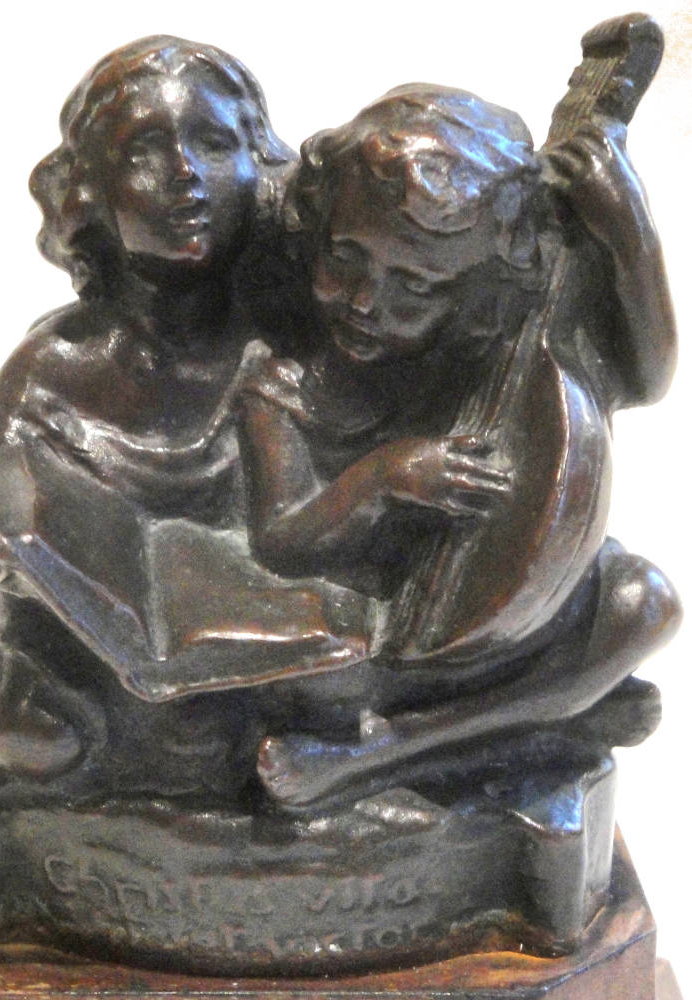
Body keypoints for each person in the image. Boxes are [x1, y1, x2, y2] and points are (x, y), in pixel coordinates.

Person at [0, 36, 368, 800]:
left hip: (241, 645)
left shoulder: (298, 346)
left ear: (261, 167)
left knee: (317, 706)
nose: (184, 175)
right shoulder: (56, 364)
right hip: (68, 644)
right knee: (36, 740)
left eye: (214, 144)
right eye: (143, 152)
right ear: (88, 193)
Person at [237, 84, 681, 807]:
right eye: (345, 256)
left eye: (415, 285)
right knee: (319, 678)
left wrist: (628, 232)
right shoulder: (281, 383)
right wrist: (383, 477)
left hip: (502, 607)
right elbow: (279, 537)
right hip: (387, 641)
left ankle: (389, 752)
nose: (365, 301)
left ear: (479, 283)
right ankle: (533, 717)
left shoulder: (497, 357)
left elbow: (645, 378)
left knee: (646, 603)